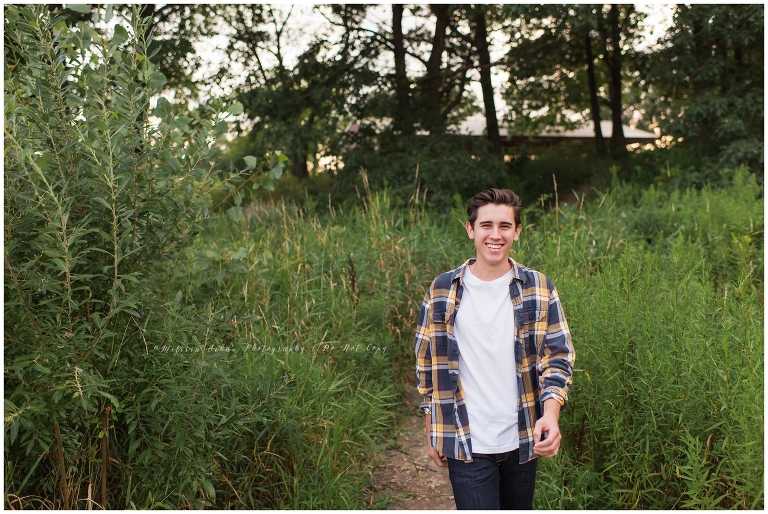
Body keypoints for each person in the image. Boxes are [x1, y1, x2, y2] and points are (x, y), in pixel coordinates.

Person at [414, 188, 575, 510]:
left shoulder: (539, 287)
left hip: (524, 436)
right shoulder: (442, 289)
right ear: (470, 229)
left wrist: (551, 415)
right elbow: (427, 363)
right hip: (466, 439)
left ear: (517, 231)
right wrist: (433, 427)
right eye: (486, 225)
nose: (495, 235)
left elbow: (558, 358)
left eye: (505, 226)